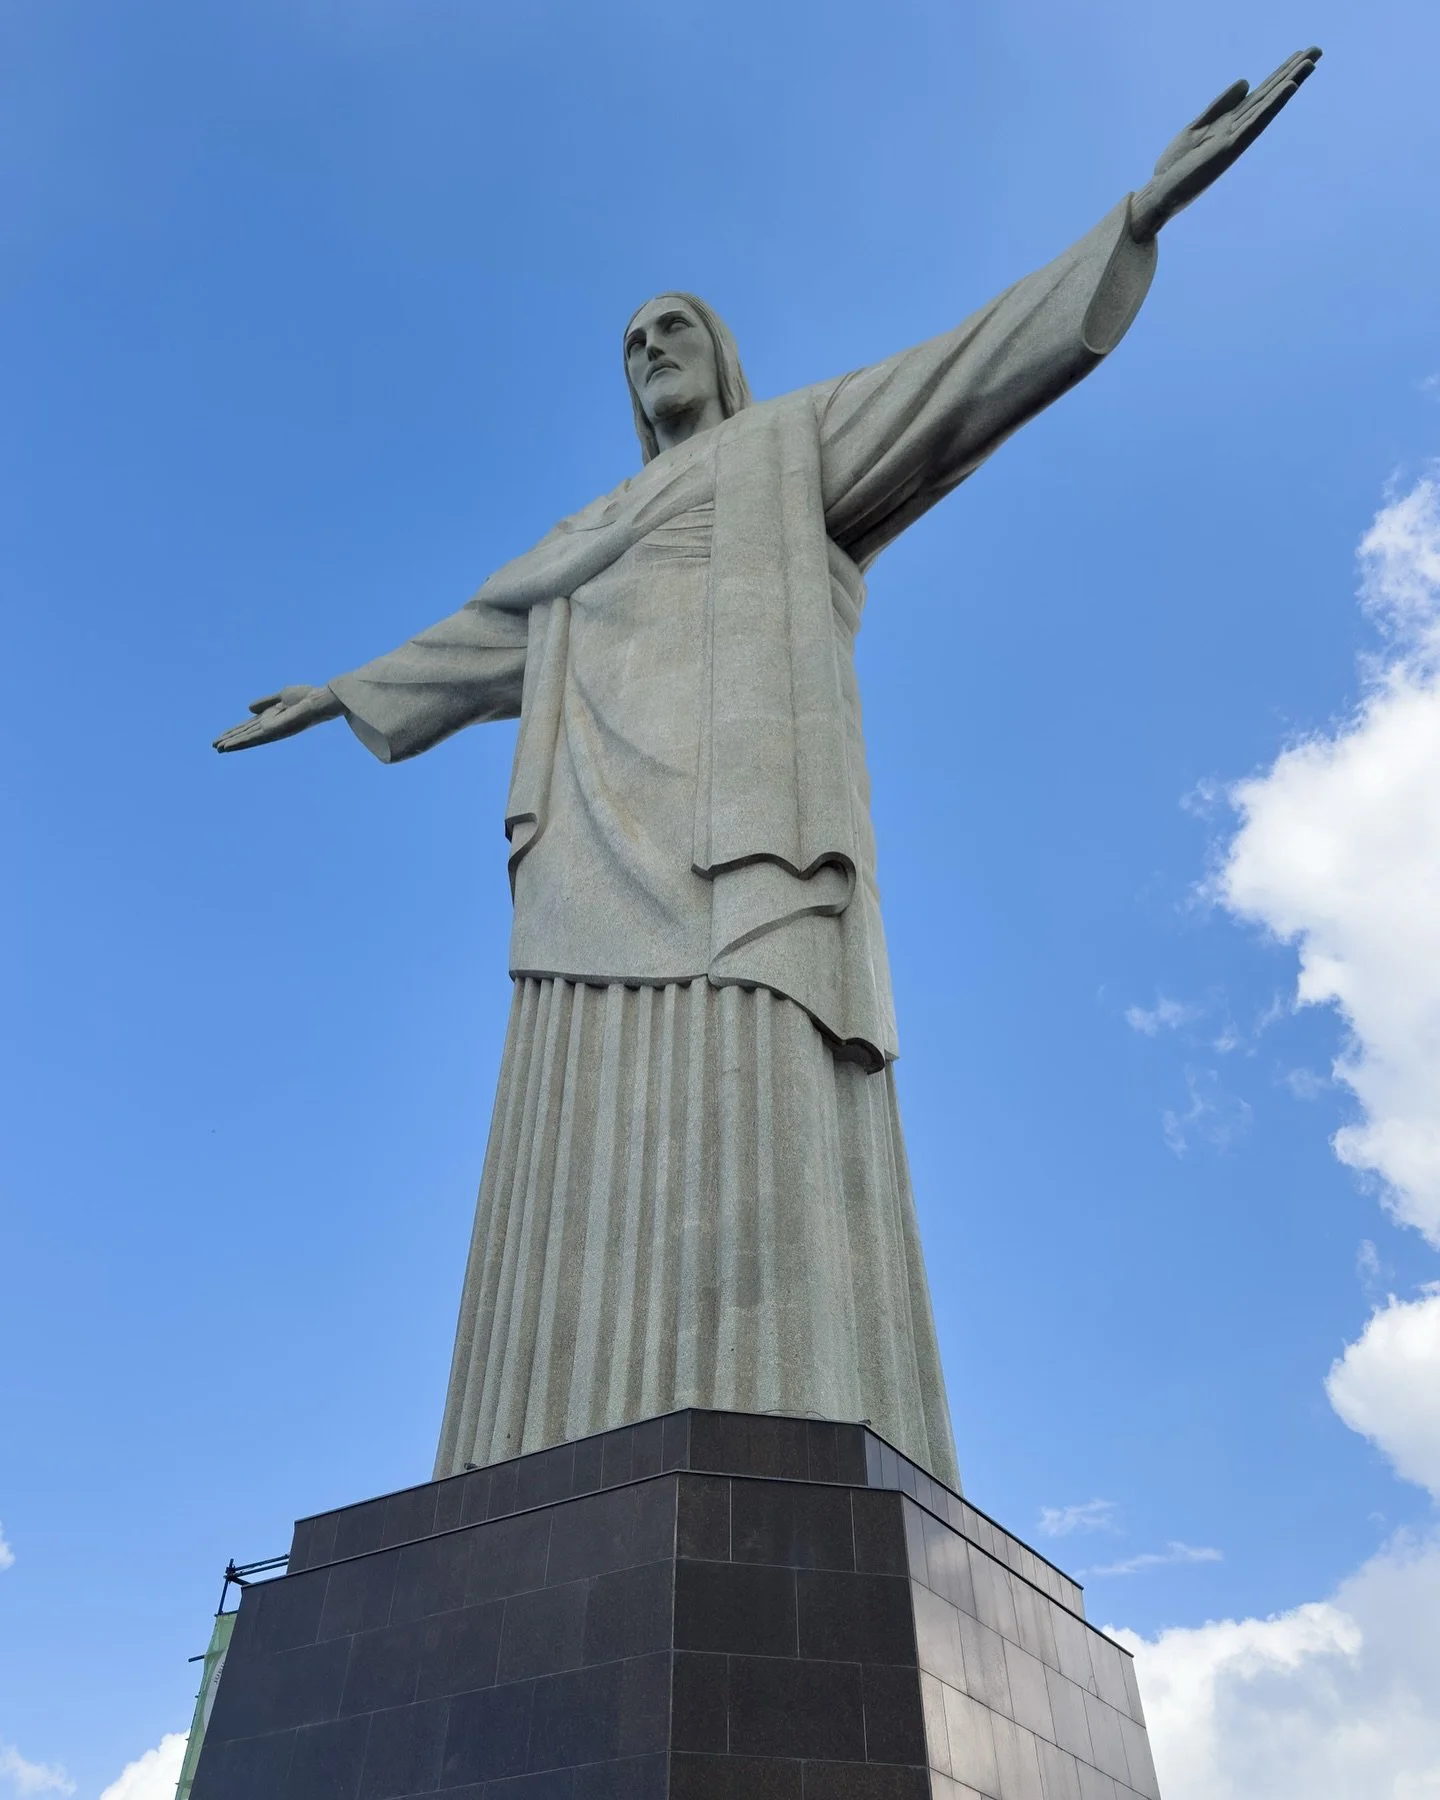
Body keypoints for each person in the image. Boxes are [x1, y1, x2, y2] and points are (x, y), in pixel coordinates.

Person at [216, 51, 1321, 1487]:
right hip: (589, 868)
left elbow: (967, 374)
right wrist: (337, 695)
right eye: (631, 338)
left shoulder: (790, 451)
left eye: (677, 325)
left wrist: (1132, 220)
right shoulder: (586, 526)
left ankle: (773, 1430)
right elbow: (483, 637)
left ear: (721, 357)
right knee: (572, 1131)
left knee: (754, 1109)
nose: (653, 345)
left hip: (745, 846)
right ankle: (529, 1457)